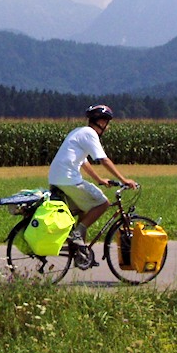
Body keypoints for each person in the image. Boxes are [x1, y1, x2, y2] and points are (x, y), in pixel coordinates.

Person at [48, 104, 138, 247]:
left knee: (85, 209)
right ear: (101, 122)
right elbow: (103, 160)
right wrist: (124, 180)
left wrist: (99, 179)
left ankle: (79, 251)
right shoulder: (90, 133)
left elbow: (84, 162)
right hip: (69, 179)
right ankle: (77, 235)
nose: (107, 127)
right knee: (103, 203)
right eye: (107, 123)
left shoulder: (78, 132)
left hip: (56, 179)